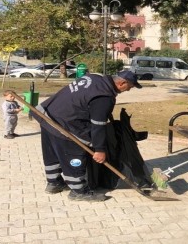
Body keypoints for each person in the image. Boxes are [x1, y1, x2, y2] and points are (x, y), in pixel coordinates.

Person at [34, 70, 141, 202]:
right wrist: (100, 149)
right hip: (66, 124)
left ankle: (54, 183)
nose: (128, 90)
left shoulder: (94, 78)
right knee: (74, 154)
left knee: (53, 153)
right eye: (129, 87)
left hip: (48, 115)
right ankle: (78, 191)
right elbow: (98, 125)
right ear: (122, 82)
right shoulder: (104, 97)